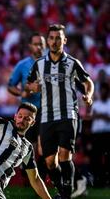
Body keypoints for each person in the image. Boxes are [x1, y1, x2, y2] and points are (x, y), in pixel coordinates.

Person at [26, 24, 94, 199]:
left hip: (68, 113)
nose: (55, 41)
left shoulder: (72, 63)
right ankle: (65, 191)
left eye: (58, 38)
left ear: (64, 40)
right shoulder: (39, 64)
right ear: (47, 41)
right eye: (52, 38)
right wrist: (33, 87)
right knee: (50, 162)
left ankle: (66, 195)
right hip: (47, 116)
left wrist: (88, 95)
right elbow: (29, 84)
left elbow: (88, 82)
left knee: (65, 156)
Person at [7, 32, 47, 180]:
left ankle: (41, 175)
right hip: (28, 110)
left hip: (45, 110)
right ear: (30, 46)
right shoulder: (22, 65)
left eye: (41, 44)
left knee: (43, 145)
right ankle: (28, 175)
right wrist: (22, 93)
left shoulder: (50, 64)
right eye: (36, 44)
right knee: (29, 146)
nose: (39, 47)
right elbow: (10, 86)